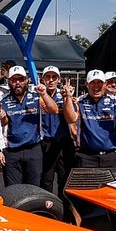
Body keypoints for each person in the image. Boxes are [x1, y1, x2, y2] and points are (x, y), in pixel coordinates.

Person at [0, 66, 59, 186]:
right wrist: (2, 119)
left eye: (21, 79)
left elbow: (54, 109)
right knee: (13, 191)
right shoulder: (2, 100)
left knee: (34, 189)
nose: (17, 83)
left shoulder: (37, 97)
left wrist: (44, 94)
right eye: (14, 80)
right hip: (11, 152)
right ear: (9, 81)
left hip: (34, 149)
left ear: (27, 80)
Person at [64, 69, 116, 168]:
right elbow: (71, 119)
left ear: (105, 84)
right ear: (87, 84)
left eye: (99, 82)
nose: (96, 86)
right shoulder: (79, 101)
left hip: (112, 156)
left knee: (110, 184)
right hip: (86, 156)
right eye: (92, 82)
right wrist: (67, 97)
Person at [38, 66, 74, 195]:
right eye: (48, 77)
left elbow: (73, 118)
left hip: (64, 142)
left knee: (64, 178)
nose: (51, 80)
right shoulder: (39, 96)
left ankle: (65, 210)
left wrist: (67, 98)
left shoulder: (65, 94)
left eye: (54, 77)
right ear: (43, 79)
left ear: (59, 79)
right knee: (46, 180)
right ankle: (47, 209)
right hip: (46, 142)